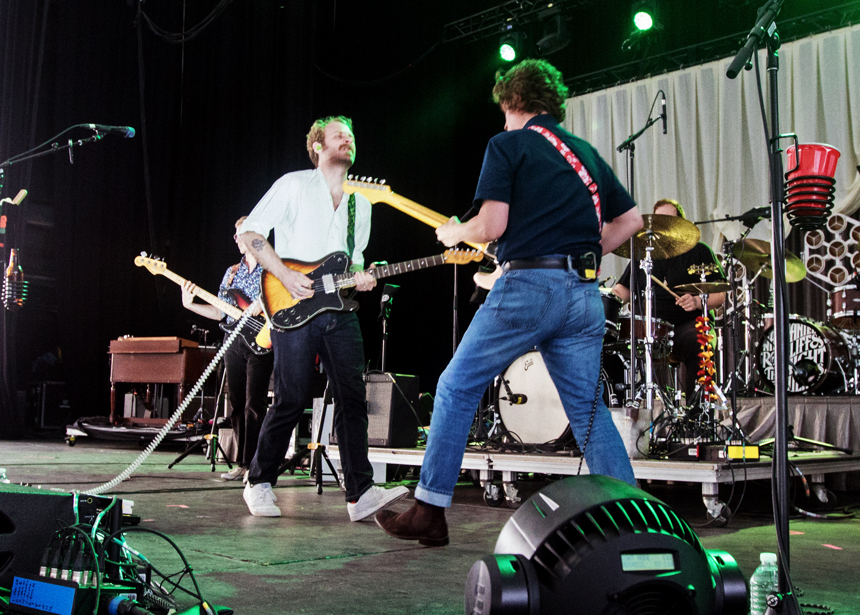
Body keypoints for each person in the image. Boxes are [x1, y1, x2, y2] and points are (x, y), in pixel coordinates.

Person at [375, 59, 643, 547]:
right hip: (584, 296)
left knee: (456, 386)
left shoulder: (508, 144)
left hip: (528, 289)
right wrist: (580, 250)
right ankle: (635, 520)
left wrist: (456, 230)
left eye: (503, 111)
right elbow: (631, 222)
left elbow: (491, 226)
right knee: (586, 411)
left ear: (513, 102)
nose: (502, 120)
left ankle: (430, 510)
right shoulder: (585, 152)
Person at [237, 116, 408, 519]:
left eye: (350, 135)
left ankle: (360, 493)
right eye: (337, 135)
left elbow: (355, 262)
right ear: (318, 146)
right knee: (292, 398)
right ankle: (259, 481)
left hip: (339, 310)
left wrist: (363, 279)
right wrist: (284, 274)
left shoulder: (360, 204)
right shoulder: (293, 184)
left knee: (353, 398)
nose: (347, 140)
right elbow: (251, 234)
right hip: (292, 305)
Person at [181, 216, 274, 481]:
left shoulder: (271, 269)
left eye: (239, 234)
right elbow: (220, 312)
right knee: (235, 403)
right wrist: (192, 305)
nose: (235, 239)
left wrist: (263, 306)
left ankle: (253, 463)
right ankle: (241, 465)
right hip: (233, 342)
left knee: (254, 404)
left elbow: (282, 304)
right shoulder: (232, 272)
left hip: (261, 341)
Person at [612, 199, 726, 404]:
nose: (663, 226)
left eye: (669, 221)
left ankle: (697, 414)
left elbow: (720, 295)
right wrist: (602, 296)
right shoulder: (643, 255)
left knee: (698, 343)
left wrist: (698, 301)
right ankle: (650, 416)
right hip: (651, 328)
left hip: (688, 325)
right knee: (619, 343)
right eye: (659, 221)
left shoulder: (700, 251)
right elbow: (622, 290)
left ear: (681, 223)